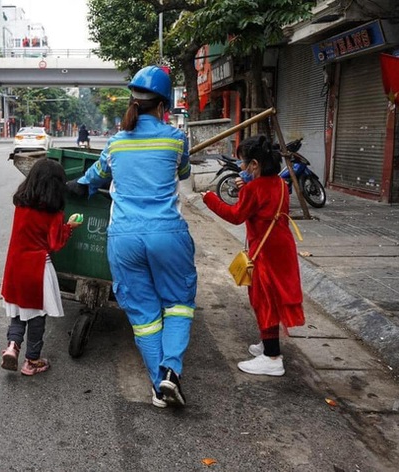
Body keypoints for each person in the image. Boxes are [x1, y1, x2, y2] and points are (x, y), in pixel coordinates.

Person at [67, 66, 196, 408]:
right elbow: (183, 172)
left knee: (143, 314)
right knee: (179, 304)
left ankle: (159, 386)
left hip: (124, 238)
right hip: (168, 234)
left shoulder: (115, 144)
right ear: (163, 105)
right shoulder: (176, 138)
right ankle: (171, 372)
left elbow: (90, 179)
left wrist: (78, 186)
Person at [201, 135, 305, 376]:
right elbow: (264, 207)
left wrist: (210, 200)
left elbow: (236, 215)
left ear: (255, 165)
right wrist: (245, 188)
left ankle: (272, 358)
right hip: (281, 246)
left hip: (265, 251)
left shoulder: (254, 189)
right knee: (272, 297)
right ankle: (268, 344)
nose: (242, 167)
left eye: (244, 163)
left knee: (263, 299)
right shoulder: (280, 183)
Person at [1, 158, 83, 376]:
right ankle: (32, 361)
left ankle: (12, 346)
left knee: (18, 313)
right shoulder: (53, 213)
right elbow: (55, 244)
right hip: (37, 269)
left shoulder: (21, 205)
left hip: (14, 266)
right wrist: (69, 227)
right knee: (36, 317)